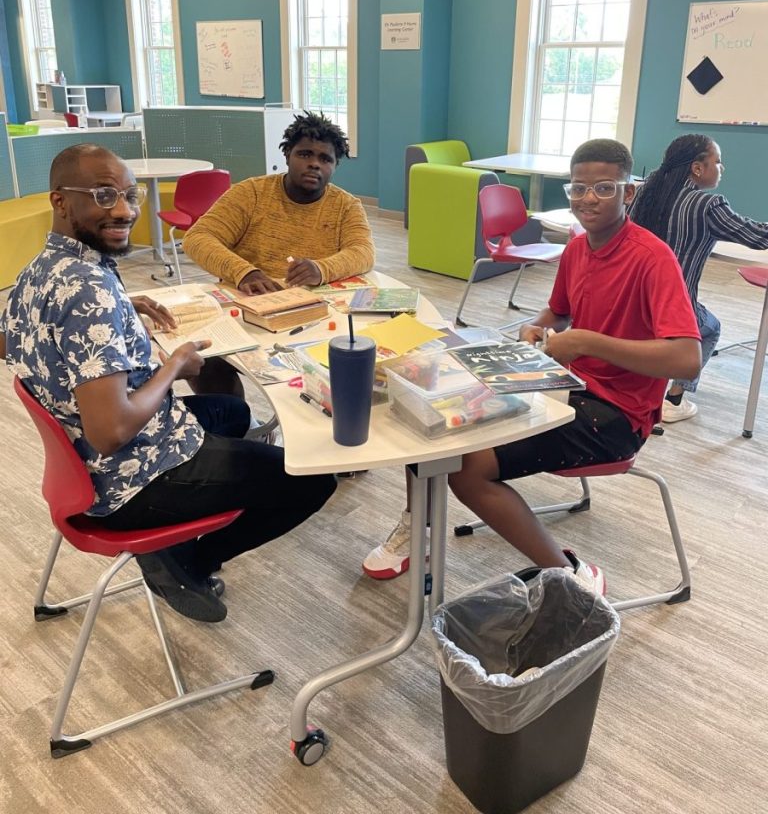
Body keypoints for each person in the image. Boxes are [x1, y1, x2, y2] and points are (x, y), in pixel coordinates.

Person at [0, 145, 336, 624]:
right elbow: (110, 431)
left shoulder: (44, 269)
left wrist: (119, 309)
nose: (123, 210)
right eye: (103, 195)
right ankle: (189, 561)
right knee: (311, 481)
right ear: (60, 201)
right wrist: (174, 365)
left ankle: (183, 517)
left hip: (83, 458)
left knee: (233, 413)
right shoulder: (89, 291)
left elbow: (11, 338)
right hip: (125, 476)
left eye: (129, 196)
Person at [363, 139, 701, 589]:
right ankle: (417, 526)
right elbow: (555, 313)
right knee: (428, 408)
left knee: (467, 470)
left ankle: (570, 571)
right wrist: (536, 329)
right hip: (561, 384)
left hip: (617, 414)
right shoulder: (578, 249)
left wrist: (587, 343)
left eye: (604, 188)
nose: (588, 199)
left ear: (629, 192)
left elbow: (687, 358)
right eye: (578, 189)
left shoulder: (652, 258)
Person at [183, 109, 375, 395]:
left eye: (325, 159)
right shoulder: (252, 193)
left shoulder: (346, 206)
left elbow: (363, 252)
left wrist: (321, 268)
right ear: (287, 156)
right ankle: (237, 424)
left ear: (334, 167)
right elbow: (197, 238)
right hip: (246, 308)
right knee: (207, 362)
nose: (314, 165)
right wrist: (244, 271)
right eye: (304, 154)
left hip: (313, 316)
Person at [630, 134, 768, 423]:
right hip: (673, 308)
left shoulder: (645, 194)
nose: (722, 167)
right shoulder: (707, 205)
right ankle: (674, 398)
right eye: (717, 162)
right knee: (709, 328)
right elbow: (757, 236)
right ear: (697, 168)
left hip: (631, 300)